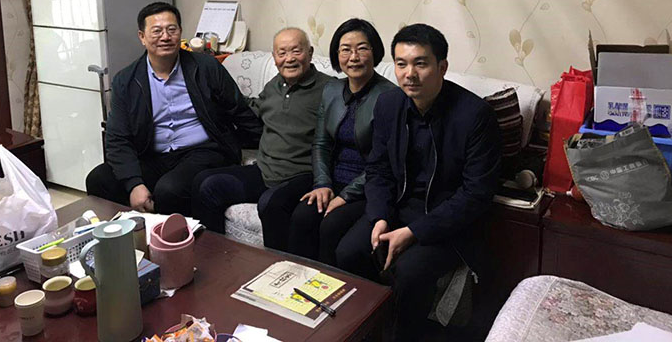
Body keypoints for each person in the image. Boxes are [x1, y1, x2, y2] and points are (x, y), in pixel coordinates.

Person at [335, 24, 501, 341]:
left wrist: (414, 232)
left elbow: (475, 194)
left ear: (442, 67)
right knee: (348, 252)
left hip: (446, 221)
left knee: (409, 273)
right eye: (401, 64)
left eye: (420, 63)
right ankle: (367, 332)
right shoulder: (389, 105)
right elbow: (378, 168)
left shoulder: (475, 116)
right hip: (398, 208)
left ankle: (404, 335)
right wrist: (380, 216)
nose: (409, 74)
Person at [85, 1, 262, 215]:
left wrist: (267, 147)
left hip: (203, 151)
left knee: (169, 189)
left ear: (180, 32)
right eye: (156, 31)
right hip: (153, 155)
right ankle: (134, 232)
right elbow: (117, 138)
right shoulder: (126, 80)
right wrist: (134, 183)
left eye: (172, 29)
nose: (165, 37)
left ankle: (172, 234)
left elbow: (239, 110)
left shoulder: (206, 67)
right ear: (142, 37)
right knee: (98, 179)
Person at [191, 27, 334, 251]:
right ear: (274, 58)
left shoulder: (329, 89)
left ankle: (278, 266)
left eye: (296, 51)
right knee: (207, 184)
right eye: (282, 53)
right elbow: (253, 108)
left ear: (310, 53)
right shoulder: (274, 85)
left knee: (270, 204)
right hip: (265, 171)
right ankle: (217, 255)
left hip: (302, 175)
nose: (289, 59)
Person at [287, 18, 395, 264]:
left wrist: (345, 196)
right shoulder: (332, 90)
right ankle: (296, 278)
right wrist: (322, 184)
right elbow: (321, 143)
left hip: (368, 187)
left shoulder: (390, 97)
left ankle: (329, 284)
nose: (353, 57)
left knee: (331, 224)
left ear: (375, 52)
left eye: (362, 48)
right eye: (346, 49)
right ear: (337, 55)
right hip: (333, 178)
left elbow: (384, 162)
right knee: (302, 216)